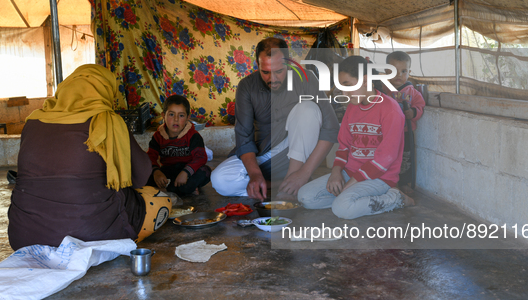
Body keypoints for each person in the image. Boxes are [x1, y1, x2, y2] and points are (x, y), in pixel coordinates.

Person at [7, 64, 171, 250]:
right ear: (106, 90)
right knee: (159, 200)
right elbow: (140, 177)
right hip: (94, 235)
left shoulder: (32, 122)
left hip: (23, 237)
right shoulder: (108, 121)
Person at [211, 37, 339, 200]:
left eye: (279, 71)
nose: (273, 79)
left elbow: (331, 128)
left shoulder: (307, 78)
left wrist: (304, 173)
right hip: (263, 155)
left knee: (308, 109)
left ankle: (293, 182)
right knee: (220, 180)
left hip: (296, 153)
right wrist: (255, 174)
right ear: (258, 66)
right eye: (266, 72)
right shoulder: (247, 86)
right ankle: (284, 183)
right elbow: (244, 138)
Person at [298, 55, 412, 219]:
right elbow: (344, 147)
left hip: (379, 178)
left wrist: (350, 184)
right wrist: (336, 173)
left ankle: (395, 198)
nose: (344, 92)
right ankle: (353, 200)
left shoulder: (390, 110)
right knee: (305, 197)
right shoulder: (352, 108)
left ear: (365, 81)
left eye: (347, 85)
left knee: (342, 208)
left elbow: (385, 158)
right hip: (350, 173)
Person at [146, 94, 211, 195]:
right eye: (171, 114)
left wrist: (186, 172)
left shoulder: (193, 136)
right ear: (163, 115)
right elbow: (150, 156)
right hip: (168, 172)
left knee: (205, 172)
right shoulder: (158, 136)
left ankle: (167, 190)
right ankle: (185, 190)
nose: (176, 119)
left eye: (181, 115)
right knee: (142, 174)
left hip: (188, 172)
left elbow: (201, 157)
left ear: (187, 118)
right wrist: (156, 172)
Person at [385, 51, 426, 191]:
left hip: (405, 133)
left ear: (409, 72)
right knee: (386, 157)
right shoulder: (383, 90)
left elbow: (420, 106)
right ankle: (386, 182)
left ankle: (404, 183)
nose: (399, 75)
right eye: (394, 71)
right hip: (386, 134)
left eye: (403, 71)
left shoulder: (413, 92)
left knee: (405, 159)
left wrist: (412, 112)